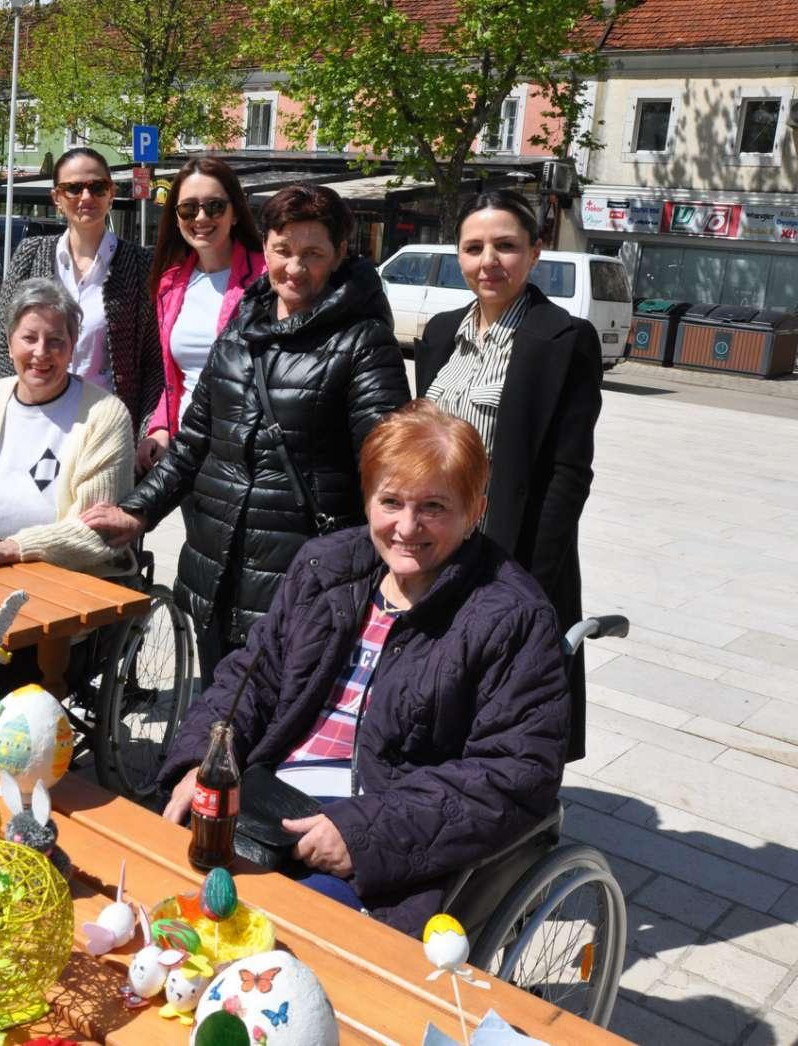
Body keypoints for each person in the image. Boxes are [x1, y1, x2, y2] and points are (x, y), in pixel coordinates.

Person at [158, 401, 572, 934]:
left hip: (384, 837)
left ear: (475, 511)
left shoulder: (511, 615)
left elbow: (512, 775)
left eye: (434, 507)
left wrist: (360, 833)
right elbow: (248, 677)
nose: (407, 526)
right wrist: (203, 762)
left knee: (268, 951)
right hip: (267, 798)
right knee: (157, 903)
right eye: (391, 502)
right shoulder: (326, 566)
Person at [83, 183, 410, 683]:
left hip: (304, 583)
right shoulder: (241, 327)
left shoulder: (364, 343)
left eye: (313, 253)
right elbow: (194, 442)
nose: (294, 268)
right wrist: (138, 510)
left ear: (341, 254)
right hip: (218, 575)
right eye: (282, 250)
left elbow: (387, 466)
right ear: (267, 247)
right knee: (218, 714)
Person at [415, 190, 601, 757]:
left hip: (509, 551)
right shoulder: (442, 331)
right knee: (433, 687)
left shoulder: (562, 339)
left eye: (506, 246)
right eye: (473, 248)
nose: (488, 261)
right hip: (432, 546)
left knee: (507, 696)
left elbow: (569, 474)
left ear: (535, 251)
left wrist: (530, 583)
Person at [0, 276, 135, 578]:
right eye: (29, 338)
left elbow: (96, 531)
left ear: (72, 348)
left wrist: (14, 548)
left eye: (56, 340)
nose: (41, 352)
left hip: (70, 582)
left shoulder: (105, 415)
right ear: (9, 342)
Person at [0, 147, 162, 439]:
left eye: (97, 187)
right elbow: (3, 347)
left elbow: (153, 364)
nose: (86, 197)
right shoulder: (30, 255)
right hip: (38, 424)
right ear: (57, 198)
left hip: (108, 429)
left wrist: (146, 431)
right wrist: (24, 412)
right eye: (73, 189)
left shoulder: (140, 264)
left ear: (111, 193)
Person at [138, 157, 265, 473]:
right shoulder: (169, 284)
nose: (201, 217)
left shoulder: (267, 276)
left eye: (215, 206)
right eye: (189, 209)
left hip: (249, 452)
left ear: (235, 212)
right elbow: (171, 377)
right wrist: (160, 428)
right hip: (187, 453)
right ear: (176, 217)